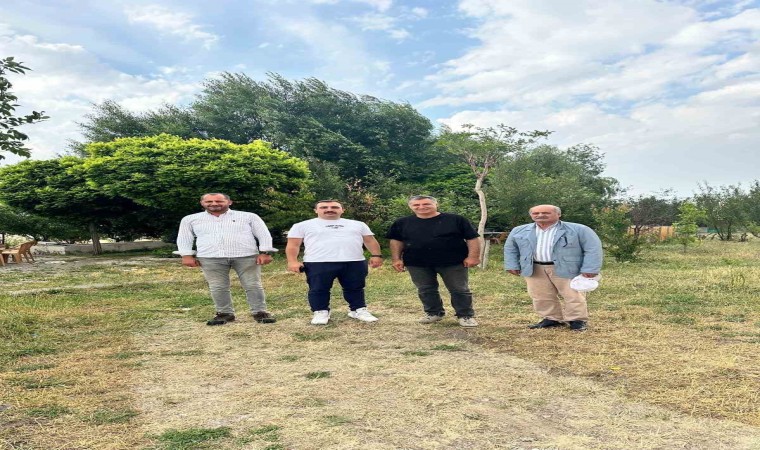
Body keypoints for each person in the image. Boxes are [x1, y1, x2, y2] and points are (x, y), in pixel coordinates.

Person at [177, 193, 278, 326]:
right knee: (217, 286)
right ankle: (224, 313)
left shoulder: (248, 216)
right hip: (210, 257)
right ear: (202, 203)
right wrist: (186, 255)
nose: (214, 204)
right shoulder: (190, 219)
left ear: (229, 202)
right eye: (209, 201)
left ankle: (260, 312)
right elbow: (184, 237)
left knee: (252, 284)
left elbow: (263, 234)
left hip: (246, 256)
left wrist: (265, 252)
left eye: (219, 201)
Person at [504, 204, 603, 332]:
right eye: (536, 213)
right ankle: (551, 318)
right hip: (534, 267)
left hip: (568, 267)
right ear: (531, 215)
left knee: (573, 295)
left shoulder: (580, 229)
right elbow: (510, 249)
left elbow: (592, 248)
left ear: (558, 214)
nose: (540, 215)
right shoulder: (519, 230)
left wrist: (590, 268)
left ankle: (577, 320)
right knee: (541, 295)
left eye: (546, 213)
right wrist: (512, 265)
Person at [387, 195, 481, 327]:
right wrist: (396, 259)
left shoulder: (456, 219)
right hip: (416, 262)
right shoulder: (402, 223)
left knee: (459, 289)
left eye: (426, 204)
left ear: (436, 204)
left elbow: (472, 238)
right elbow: (396, 241)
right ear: (410, 207)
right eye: (416, 205)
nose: (421, 207)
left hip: (453, 262)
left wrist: (473, 257)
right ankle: (433, 313)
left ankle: (465, 315)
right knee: (425, 289)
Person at [285, 200, 383, 325]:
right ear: (316, 210)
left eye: (334, 207)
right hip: (317, 262)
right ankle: (320, 312)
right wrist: (292, 261)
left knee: (355, 287)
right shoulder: (302, 225)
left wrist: (376, 255)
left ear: (342, 210)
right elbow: (293, 245)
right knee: (318, 288)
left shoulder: (358, 224)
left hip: (354, 261)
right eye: (324, 207)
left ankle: (358, 310)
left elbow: (370, 241)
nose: (329, 209)